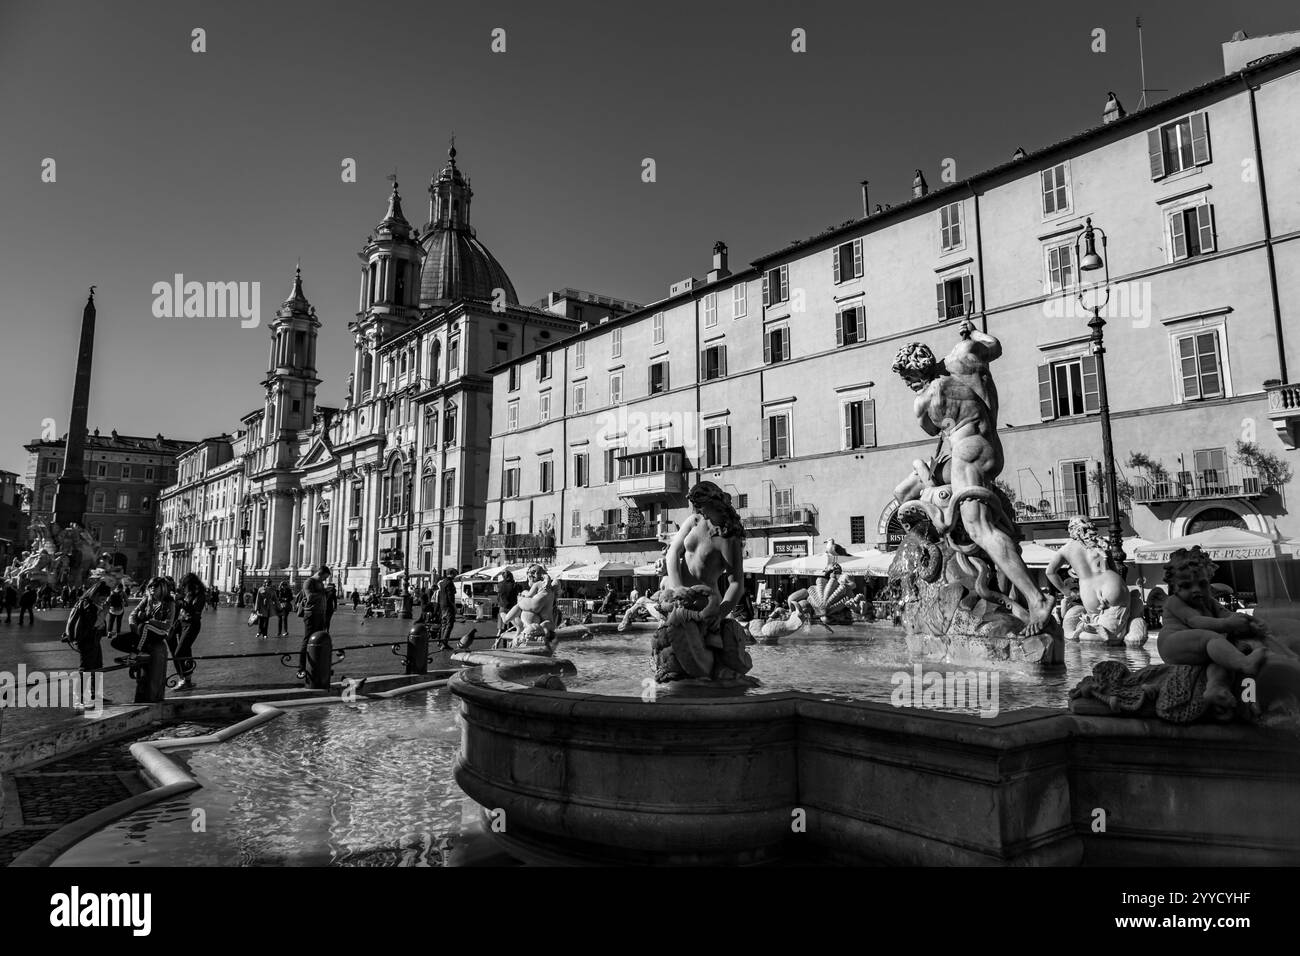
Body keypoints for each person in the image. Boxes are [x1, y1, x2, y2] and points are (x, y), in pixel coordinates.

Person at [891, 322, 1055, 634]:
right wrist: (974, 333)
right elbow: (995, 347)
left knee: (981, 529)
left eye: (907, 378)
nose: (908, 384)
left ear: (915, 372)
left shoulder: (922, 401)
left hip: (965, 452)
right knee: (910, 492)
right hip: (989, 447)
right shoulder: (962, 356)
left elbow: (931, 429)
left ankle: (1037, 599)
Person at [127, 577, 177, 703]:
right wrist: (134, 627)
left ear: (163, 588)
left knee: (154, 678)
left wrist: (148, 621)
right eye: (150, 586)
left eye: (156, 585)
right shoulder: (147, 599)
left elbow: (167, 624)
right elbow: (133, 614)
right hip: (145, 637)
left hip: (158, 637)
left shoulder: (169, 602)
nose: (152, 588)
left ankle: (135, 653)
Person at [169, 573, 206, 690]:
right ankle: (187, 680)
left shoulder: (200, 595)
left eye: (185, 585)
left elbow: (193, 610)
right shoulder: (188, 594)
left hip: (191, 625)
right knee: (185, 651)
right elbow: (181, 608)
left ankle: (184, 679)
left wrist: (180, 600)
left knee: (179, 652)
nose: (183, 588)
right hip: (181, 623)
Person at [297, 565, 331, 677]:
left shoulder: (320, 583)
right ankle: (301, 668)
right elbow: (310, 597)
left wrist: (326, 593)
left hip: (320, 614)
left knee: (319, 640)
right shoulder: (309, 582)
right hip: (311, 614)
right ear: (320, 573)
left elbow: (321, 597)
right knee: (307, 639)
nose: (325, 580)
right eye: (324, 577)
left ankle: (317, 664)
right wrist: (323, 592)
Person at [435, 570, 458, 649]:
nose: (455, 576)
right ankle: (444, 643)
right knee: (449, 624)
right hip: (448, 606)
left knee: (444, 624)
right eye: (454, 574)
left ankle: (440, 641)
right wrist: (454, 607)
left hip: (442, 605)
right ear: (451, 574)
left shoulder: (442, 582)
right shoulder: (449, 583)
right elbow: (450, 597)